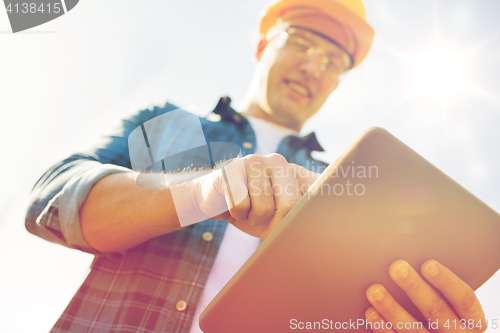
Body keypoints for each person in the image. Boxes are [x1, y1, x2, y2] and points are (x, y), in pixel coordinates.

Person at [25, 0, 487, 332]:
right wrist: (202, 192)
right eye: (303, 42)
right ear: (263, 45)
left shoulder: (342, 187)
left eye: (333, 62)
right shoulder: (171, 126)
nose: (313, 66)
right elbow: (54, 202)